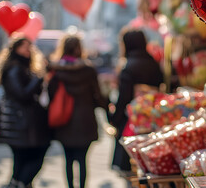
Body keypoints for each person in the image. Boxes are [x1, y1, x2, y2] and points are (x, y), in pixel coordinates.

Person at [48, 35, 108, 188]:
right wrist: (108, 110)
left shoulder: (56, 70)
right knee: (83, 159)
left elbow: (50, 95)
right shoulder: (88, 70)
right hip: (85, 120)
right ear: (80, 49)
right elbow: (98, 96)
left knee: (68, 159)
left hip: (64, 120)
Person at [0, 37, 50, 188]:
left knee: (21, 158)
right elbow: (22, 94)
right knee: (34, 154)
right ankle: (21, 183)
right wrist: (38, 79)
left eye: (30, 47)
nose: (28, 50)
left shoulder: (21, 67)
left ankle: (18, 183)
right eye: (25, 47)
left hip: (20, 122)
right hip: (19, 123)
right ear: (15, 48)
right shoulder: (14, 69)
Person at [109, 29, 163, 175]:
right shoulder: (154, 64)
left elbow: (124, 98)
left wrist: (114, 118)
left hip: (132, 120)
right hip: (153, 116)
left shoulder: (128, 67)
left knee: (130, 166)